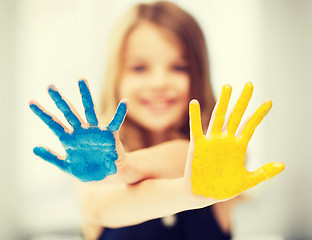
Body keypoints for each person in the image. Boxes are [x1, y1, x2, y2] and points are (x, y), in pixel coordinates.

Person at [29, 1, 284, 240]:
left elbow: (182, 156)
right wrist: (186, 192)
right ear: (116, 78)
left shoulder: (219, 157)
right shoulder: (90, 159)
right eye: (139, 68)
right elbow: (99, 208)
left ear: (198, 76)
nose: (159, 82)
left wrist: (125, 166)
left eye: (179, 67)